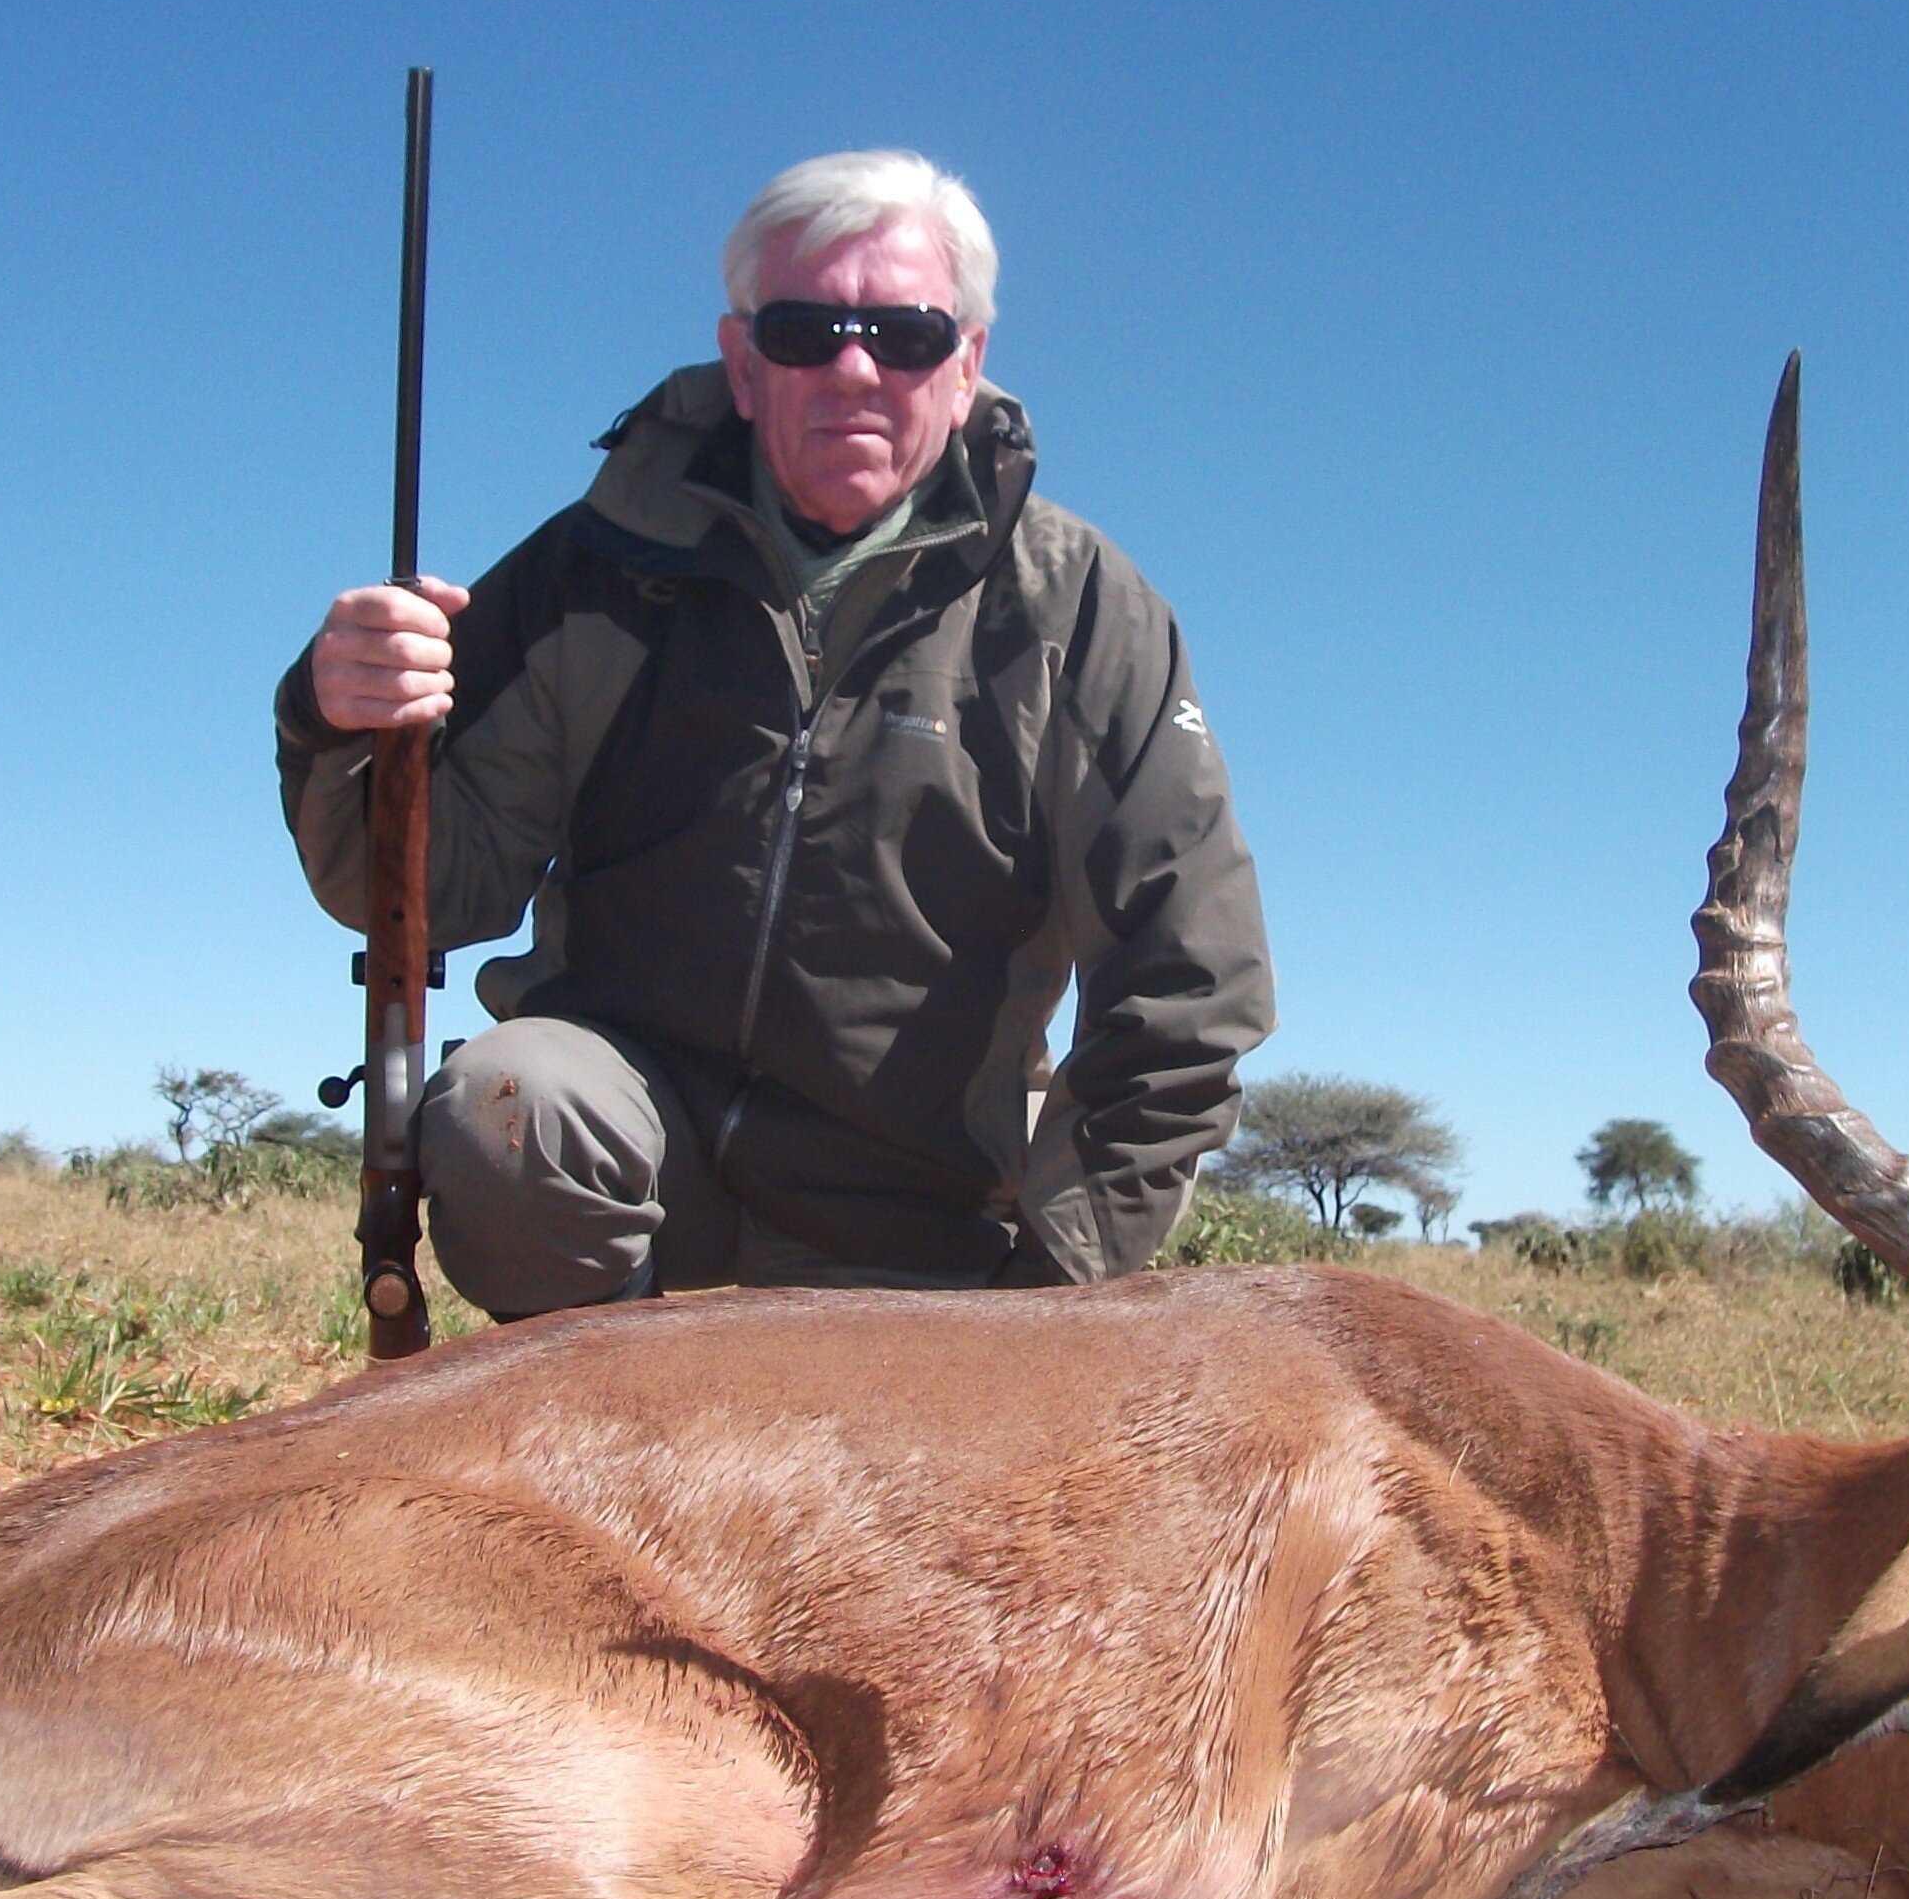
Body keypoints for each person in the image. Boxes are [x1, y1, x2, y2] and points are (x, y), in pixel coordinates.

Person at [278, 150, 1272, 1315]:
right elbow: (425, 891)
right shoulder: (597, 567)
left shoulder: (1081, 609)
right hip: (636, 1168)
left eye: (903, 335)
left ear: (966, 364)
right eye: (805, 330)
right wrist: (339, 721)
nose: (855, 369)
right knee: (512, 1104)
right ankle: (597, 1425)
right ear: (743, 363)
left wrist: (1049, 1298)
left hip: (923, 1223)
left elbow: (1187, 986)